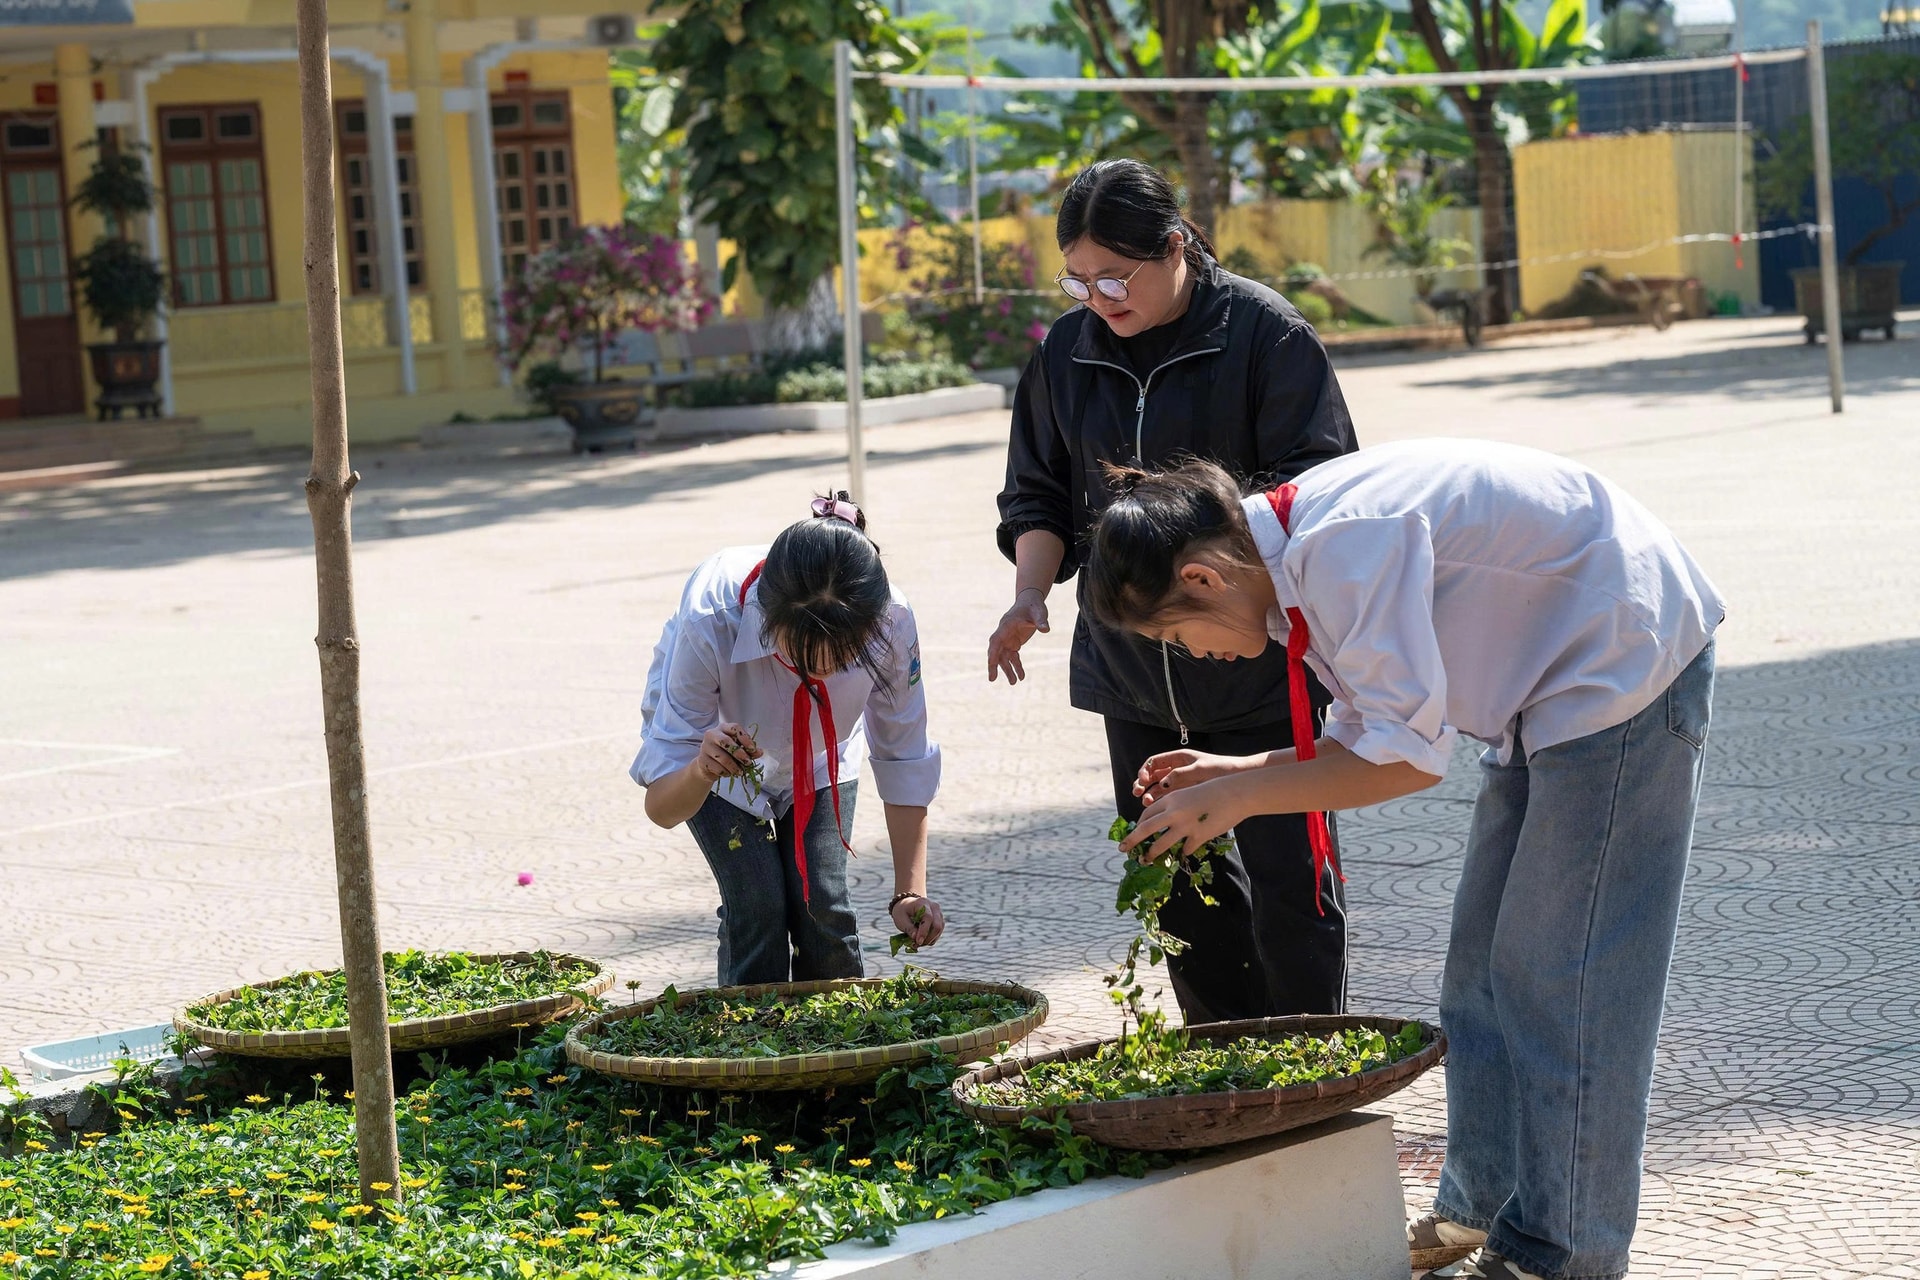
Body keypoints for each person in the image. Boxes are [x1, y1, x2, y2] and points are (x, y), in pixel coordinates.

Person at [1082, 441, 1724, 1280]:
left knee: (1565, 983)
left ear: (1203, 578)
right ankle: (1480, 1209)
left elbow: (1409, 762)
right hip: (1552, 684)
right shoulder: (1291, 558)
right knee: (1481, 974)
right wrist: (1239, 772)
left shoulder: (1339, 547)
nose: (1192, 653)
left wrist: (1239, 800)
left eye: (1176, 633)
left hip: (1623, 660)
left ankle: (1564, 1254)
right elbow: (1367, 728)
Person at [991, 158, 1360, 1023]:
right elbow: (1037, 491)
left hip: (1259, 662)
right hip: (1134, 673)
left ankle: (1310, 1062)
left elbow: (1318, 487)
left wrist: (1219, 572)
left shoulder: (1264, 335)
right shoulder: (1066, 356)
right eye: (1078, 279)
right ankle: (1220, 1058)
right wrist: (1029, 595)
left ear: (1174, 246)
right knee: (1176, 884)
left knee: (1291, 885)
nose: (1099, 297)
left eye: (1116, 275)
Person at [631, 493, 946, 984]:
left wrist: (909, 891)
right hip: (715, 762)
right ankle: (748, 1051)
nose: (822, 669)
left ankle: (844, 1047)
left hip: (823, 755)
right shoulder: (712, 615)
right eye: (803, 654)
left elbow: (903, 753)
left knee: (824, 905)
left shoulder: (891, 619)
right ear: (765, 615)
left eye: (843, 655)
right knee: (757, 905)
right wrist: (702, 768)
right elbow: (662, 806)